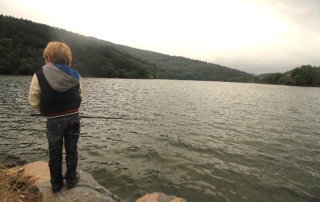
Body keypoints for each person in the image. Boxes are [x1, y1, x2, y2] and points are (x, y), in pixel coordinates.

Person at [28, 41, 83, 193]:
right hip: (73, 117)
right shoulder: (75, 75)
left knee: (54, 152)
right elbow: (80, 96)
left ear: (48, 57)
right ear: (68, 58)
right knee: (72, 150)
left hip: (53, 121)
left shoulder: (39, 75)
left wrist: (46, 111)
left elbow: (33, 100)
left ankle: (56, 183)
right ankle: (71, 179)